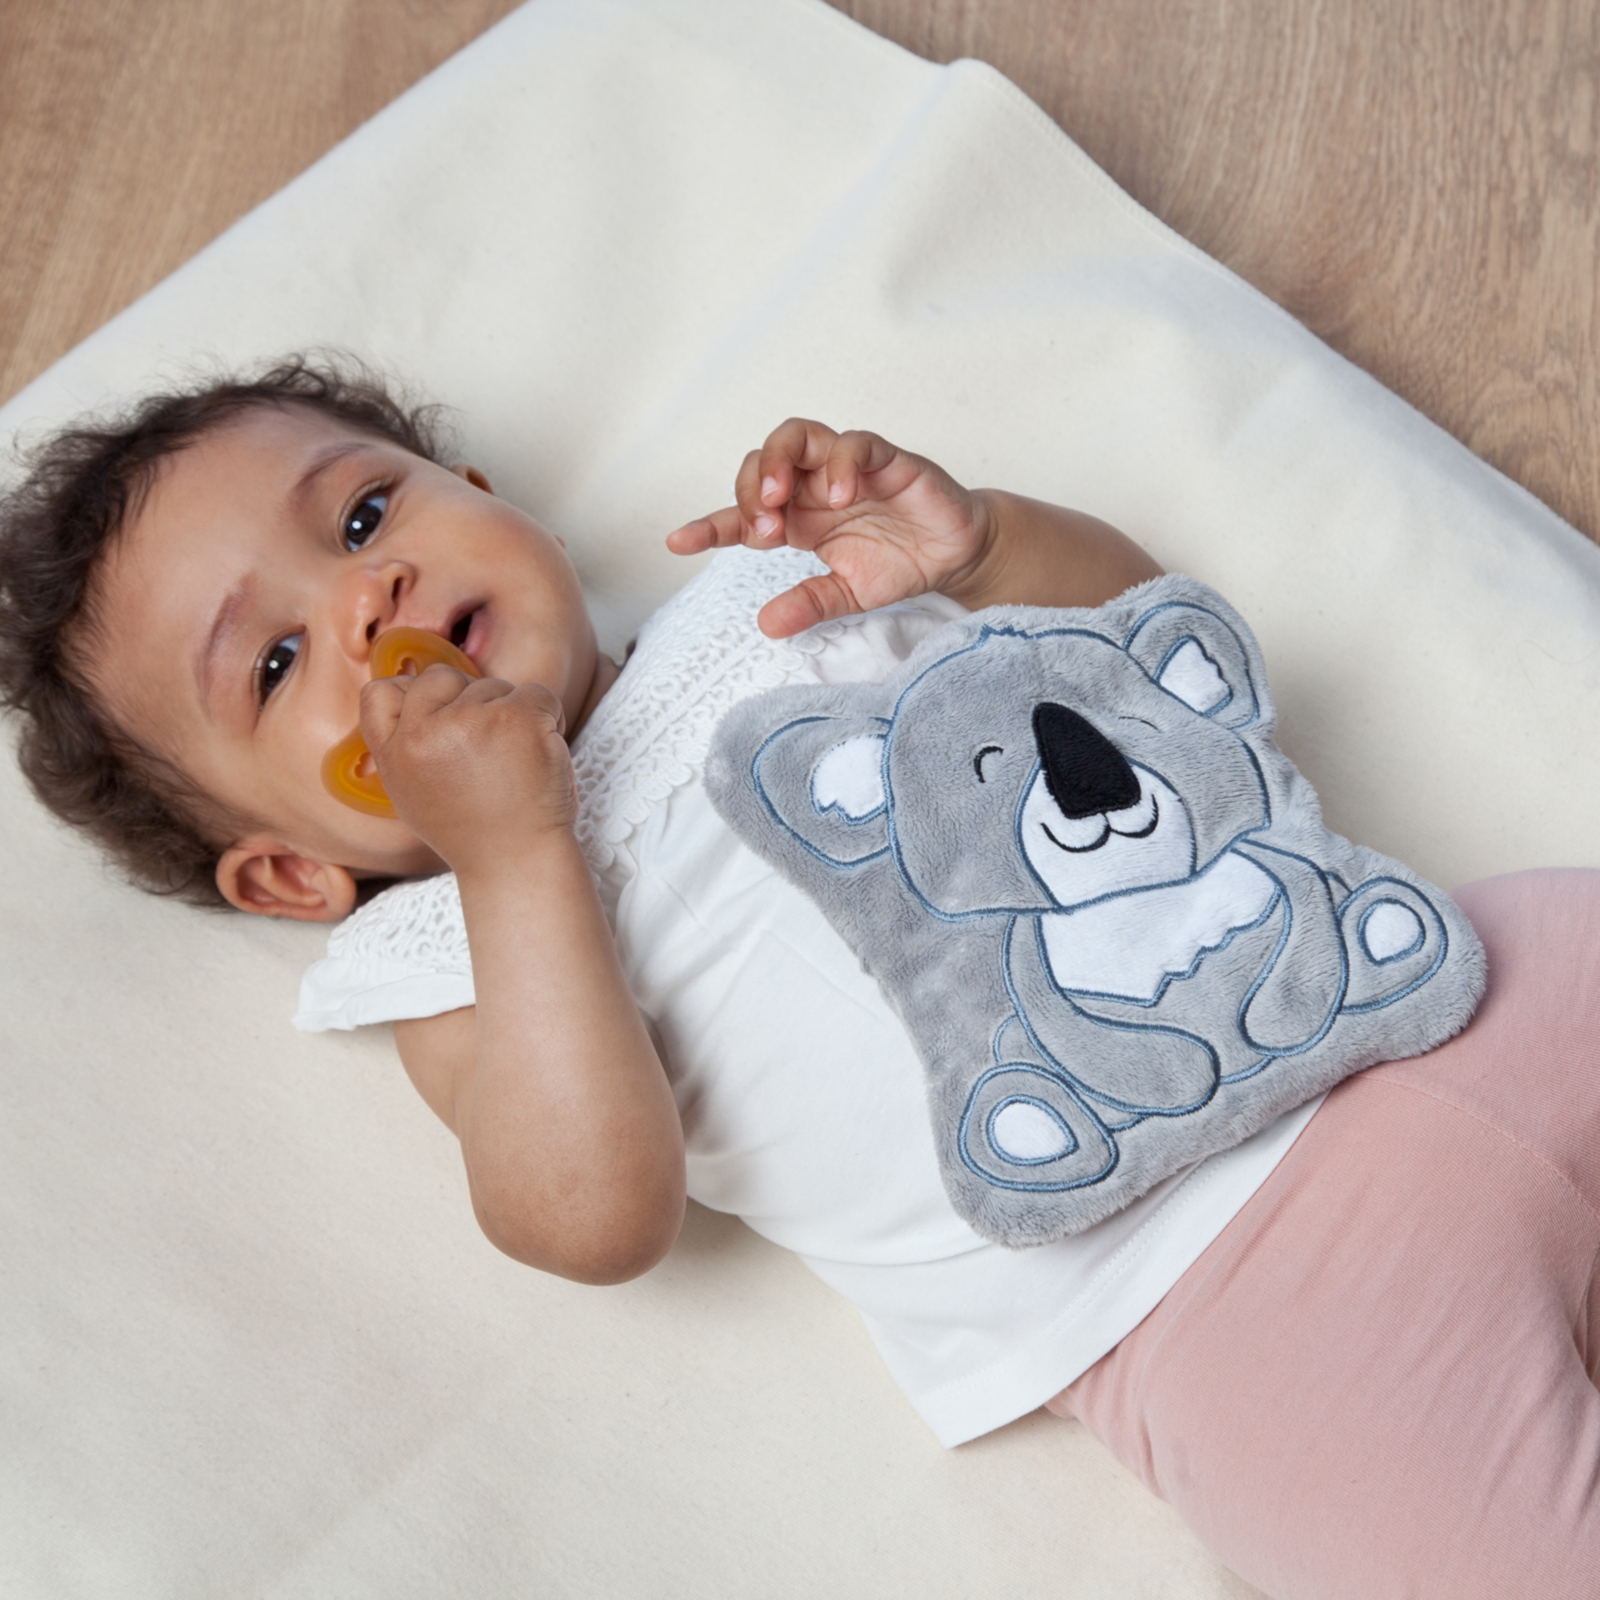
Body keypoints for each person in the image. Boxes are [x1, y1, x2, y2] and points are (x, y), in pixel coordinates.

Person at [2, 357, 1597, 1599]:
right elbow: (590, 1213)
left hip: (1419, 985)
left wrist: (984, 550)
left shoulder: (770, 609)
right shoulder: (455, 953)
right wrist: (514, 852)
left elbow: (1137, 652)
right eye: (277, 663)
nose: (368, 600)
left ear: (483, 500)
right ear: (292, 875)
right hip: (1220, 1311)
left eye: (364, 519)